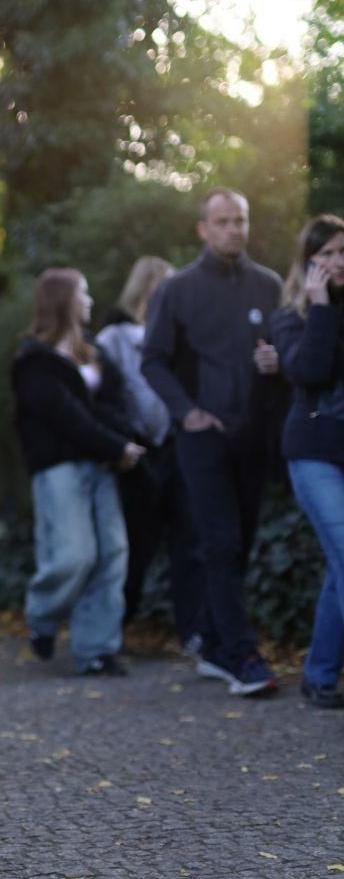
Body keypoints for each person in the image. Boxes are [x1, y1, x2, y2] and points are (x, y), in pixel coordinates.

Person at [142, 187, 282, 697]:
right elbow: (152, 360)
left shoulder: (269, 285)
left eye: (240, 220)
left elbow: (283, 347)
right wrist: (188, 412)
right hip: (202, 439)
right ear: (203, 229)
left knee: (239, 542)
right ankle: (242, 655)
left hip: (254, 436)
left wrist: (276, 361)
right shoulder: (177, 289)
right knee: (221, 542)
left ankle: (212, 640)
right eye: (222, 221)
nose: (233, 229)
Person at [12, 268, 145, 677]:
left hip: (102, 464)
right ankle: (42, 617)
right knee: (74, 556)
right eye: (83, 293)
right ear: (63, 301)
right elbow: (68, 418)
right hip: (61, 467)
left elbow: (113, 402)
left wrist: (121, 440)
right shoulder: (34, 361)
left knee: (112, 555)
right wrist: (118, 446)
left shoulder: (92, 350)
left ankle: (96, 651)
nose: (90, 301)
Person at [97, 257, 202, 645]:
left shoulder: (179, 334)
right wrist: (125, 439)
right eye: (162, 286)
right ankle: (112, 632)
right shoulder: (112, 339)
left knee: (189, 542)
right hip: (137, 455)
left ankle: (193, 632)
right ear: (144, 287)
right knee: (135, 548)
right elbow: (106, 398)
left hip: (176, 447)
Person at [270, 215, 344, 709]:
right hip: (314, 452)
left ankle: (318, 674)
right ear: (309, 262)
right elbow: (308, 371)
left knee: (339, 568)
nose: (339, 262)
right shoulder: (290, 315)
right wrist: (321, 309)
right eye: (328, 254)